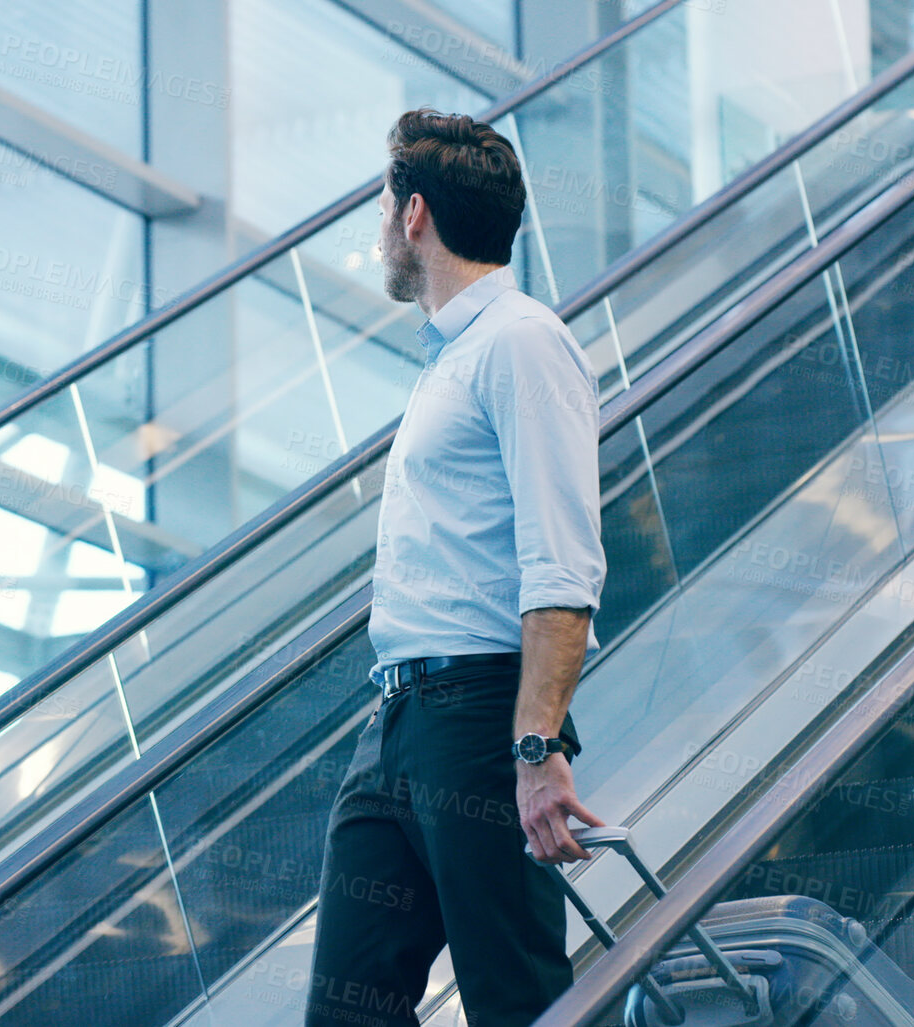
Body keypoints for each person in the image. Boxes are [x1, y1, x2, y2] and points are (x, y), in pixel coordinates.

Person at [303, 108, 609, 1027]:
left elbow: (563, 563)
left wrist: (533, 746)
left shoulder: (519, 341)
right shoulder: (451, 359)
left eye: (381, 207)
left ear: (413, 216)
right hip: (394, 720)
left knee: (515, 1002)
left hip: (478, 721)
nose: (378, 232)